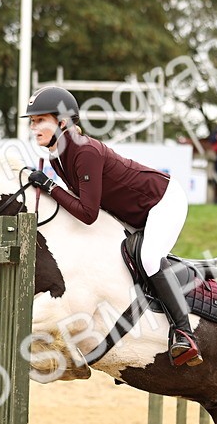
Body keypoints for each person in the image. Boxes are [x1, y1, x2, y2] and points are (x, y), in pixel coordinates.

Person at [23, 86, 202, 366]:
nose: (34, 128)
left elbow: (88, 213)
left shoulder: (84, 151)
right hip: (133, 212)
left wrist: (49, 186)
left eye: (40, 120)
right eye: (32, 122)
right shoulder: (58, 155)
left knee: (149, 258)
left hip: (162, 202)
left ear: (62, 122)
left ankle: (184, 333)